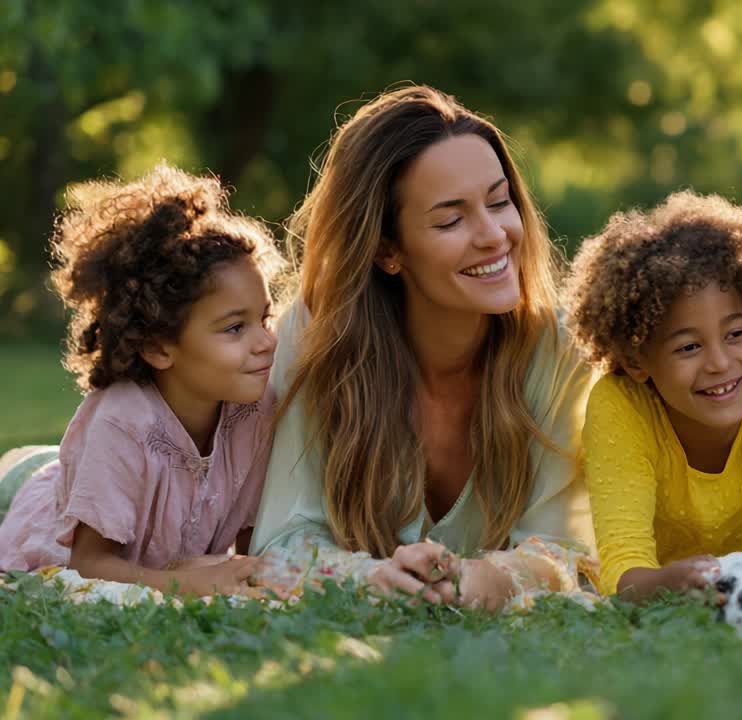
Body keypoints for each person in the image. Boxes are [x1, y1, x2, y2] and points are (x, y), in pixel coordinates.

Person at [248, 85, 597, 610]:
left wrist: (486, 581)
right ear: (388, 250)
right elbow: (281, 542)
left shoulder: (561, 348)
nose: (493, 235)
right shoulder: (318, 334)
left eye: (499, 202)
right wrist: (369, 579)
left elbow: (569, 549)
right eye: (451, 219)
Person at [564, 191, 742, 617]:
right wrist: (665, 584)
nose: (720, 363)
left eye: (736, 334)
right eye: (689, 347)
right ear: (636, 360)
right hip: (664, 577)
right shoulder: (621, 407)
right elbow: (624, 572)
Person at [0, 164, 283, 597]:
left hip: (92, 478)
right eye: (234, 328)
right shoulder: (123, 421)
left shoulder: (257, 410)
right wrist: (181, 582)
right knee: (21, 480)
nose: (266, 342)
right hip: (39, 514)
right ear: (158, 348)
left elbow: (251, 546)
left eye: (264, 318)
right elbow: (89, 564)